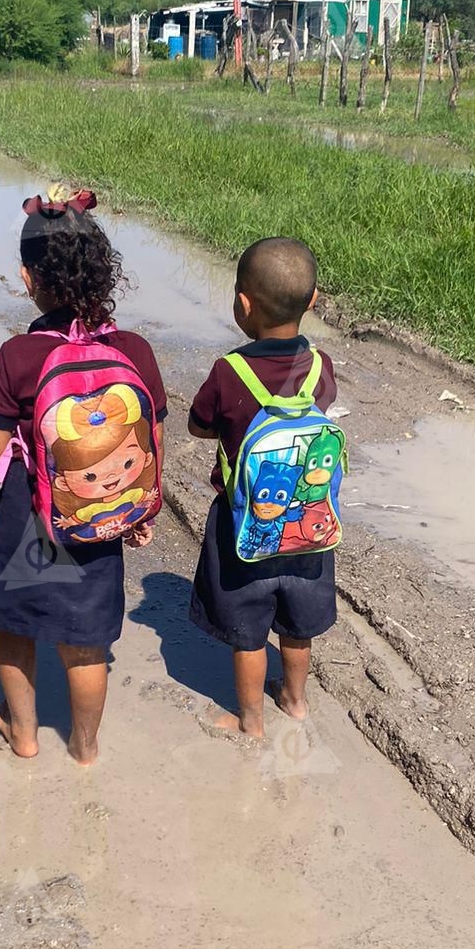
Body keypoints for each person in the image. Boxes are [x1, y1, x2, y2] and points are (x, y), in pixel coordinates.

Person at [0, 187, 166, 766]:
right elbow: (152, 438)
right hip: (98, 514)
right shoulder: (135, 349)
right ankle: (85, 749)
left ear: (29, 279)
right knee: (86, 644)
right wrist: (140, 505)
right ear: (103, 273)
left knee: (15, 627)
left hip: (29, 518)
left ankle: (25, 737)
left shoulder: (18, 355)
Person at [188, 237, 338, 738]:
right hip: (309, 520)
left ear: (243, 304)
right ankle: (295, 701)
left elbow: (200, 426)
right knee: (297, 621)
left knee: (249, 630)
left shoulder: (230, 372)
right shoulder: (320, 367)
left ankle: (249, 720)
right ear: (313, 300)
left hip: (244, 523)